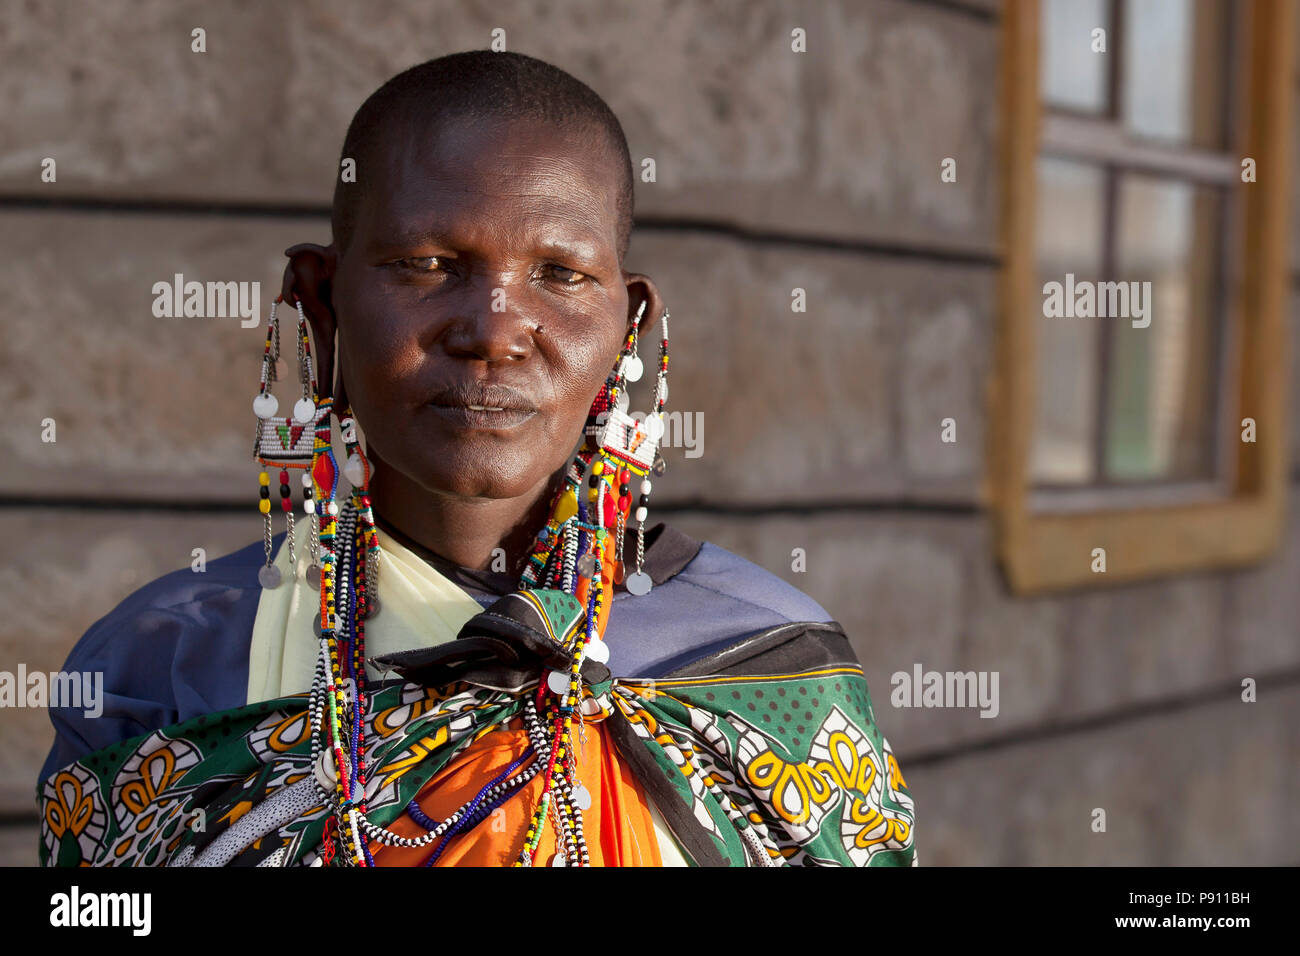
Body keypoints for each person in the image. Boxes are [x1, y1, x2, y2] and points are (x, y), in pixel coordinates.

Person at [37, 51, 916, 867]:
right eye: (426, 264)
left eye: (561, 275)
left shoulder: (766, 663)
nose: (494, 329)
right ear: (320, 303)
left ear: (629, 330)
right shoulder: (162, 668)